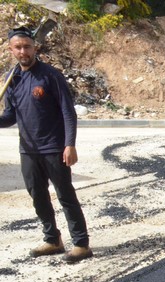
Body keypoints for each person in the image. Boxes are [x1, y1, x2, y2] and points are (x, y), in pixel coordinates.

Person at [0, 26, 92, 263]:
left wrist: (69, 144)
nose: (23, 51)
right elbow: (10, 116)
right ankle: (52, 239)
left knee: (65, 195)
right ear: (11, 50)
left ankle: (81, 243)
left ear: (35, 48)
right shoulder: (13, 79)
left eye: (27, 46)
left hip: (54, 147)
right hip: (28, 150)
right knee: (38, 196)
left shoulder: (51, 75)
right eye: (18, 47)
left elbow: (68, 113)